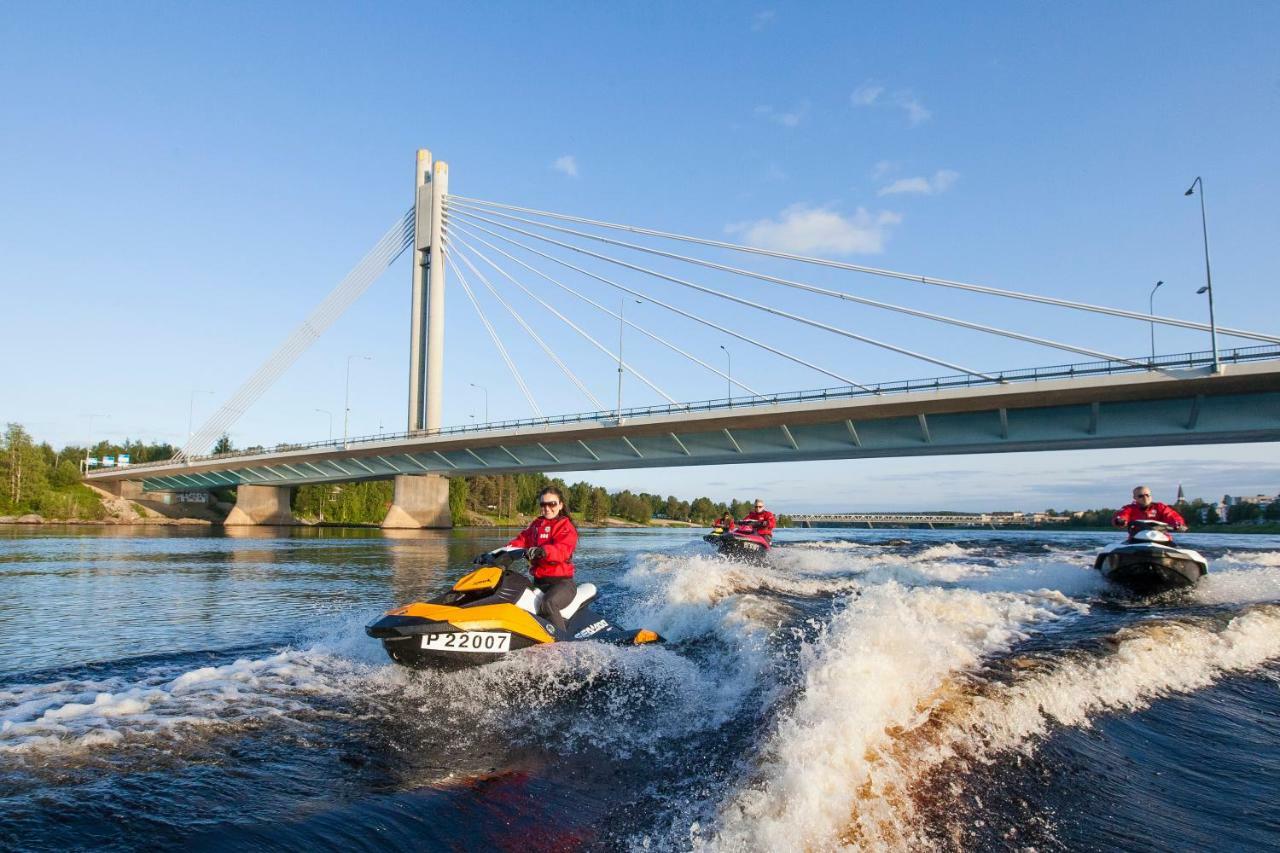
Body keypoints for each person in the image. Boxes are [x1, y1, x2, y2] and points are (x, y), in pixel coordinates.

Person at [476, 486, 578, 636]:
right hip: (539, 582)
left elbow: (562, 549)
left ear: (561, 505)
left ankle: (563, 645)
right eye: (543, 504)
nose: (547, 508)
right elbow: (518, 543)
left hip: (562, 584)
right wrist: (492, 555)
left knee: (548, 604)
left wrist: (543, 551)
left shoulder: (566, 527)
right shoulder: (536, 526)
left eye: (552, 504)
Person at [1112, 486, 1188, 531]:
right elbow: (1122, 515)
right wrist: (1120, 521)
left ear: (1151, 496)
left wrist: (1178, 524)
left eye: (1147, 495)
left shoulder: (1160, 507)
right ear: (1135, 498)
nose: (1145, 498)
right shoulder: (1129, 508)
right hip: (1136, 539)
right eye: (1141, 496)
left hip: (1161, 539)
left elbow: (1172, 516)